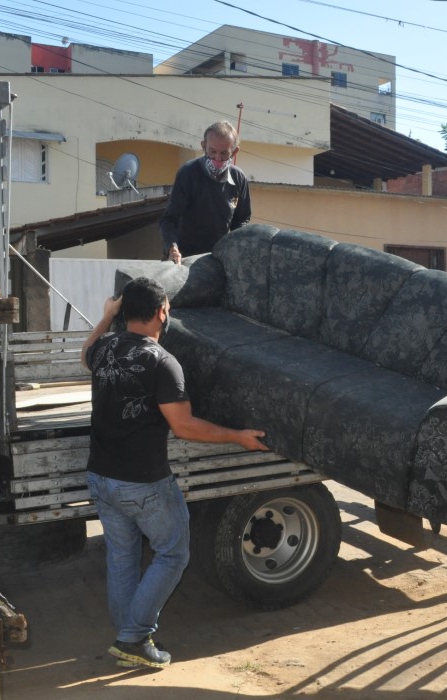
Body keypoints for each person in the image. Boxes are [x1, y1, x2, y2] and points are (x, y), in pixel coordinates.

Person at [80, 277, 268, 669]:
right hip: (143, 482)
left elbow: (85, 354)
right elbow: (185, 427)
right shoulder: (162, 362)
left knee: (122, 558)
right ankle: (134, 637)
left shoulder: (106, 347)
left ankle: (128, 636)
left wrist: (106, 317)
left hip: (101, 476)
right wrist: (238, 436)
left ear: (125, 311)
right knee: (173, 553)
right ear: (162, 312)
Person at [160, 120, 251, 264]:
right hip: (183, 259)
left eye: (224, 153)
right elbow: (169, 219)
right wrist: (172, 249)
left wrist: (238, 248)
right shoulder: (188, 173)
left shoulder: (238, 178)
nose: (217, 158)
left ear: (234, 152)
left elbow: (241, 221)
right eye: (212, 151)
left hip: (218, 259)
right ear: (203, 146)